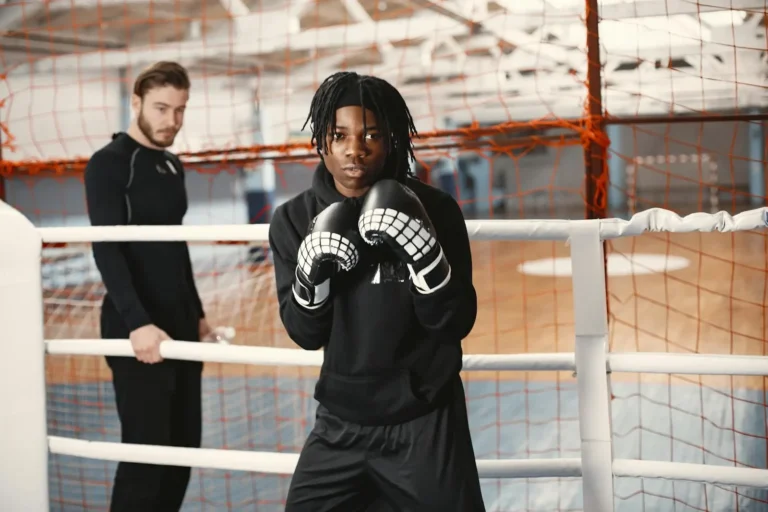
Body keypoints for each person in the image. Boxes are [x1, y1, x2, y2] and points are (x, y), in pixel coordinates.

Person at [268, 71, 485, 511]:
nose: (355, 149)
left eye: (371, 134)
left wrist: (424, 256)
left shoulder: (437, 209)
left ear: (392, 141)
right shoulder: (293, 218)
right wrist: (312, 276)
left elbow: (455, 323)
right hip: (340, 423)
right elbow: (305, 334)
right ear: (321, 142)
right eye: (340, 135)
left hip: (424, 422)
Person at [84, 61, 210, 512]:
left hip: (179, 321)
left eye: (179, 110)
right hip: (134, 326)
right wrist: (138, 323)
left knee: (181, 453)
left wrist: (197, 314)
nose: (171, 120)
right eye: (161, 108)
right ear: (135, 103)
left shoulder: (172, 164)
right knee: (146, 457)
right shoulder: (109, 165)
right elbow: (107, 250)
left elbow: (176, 248)